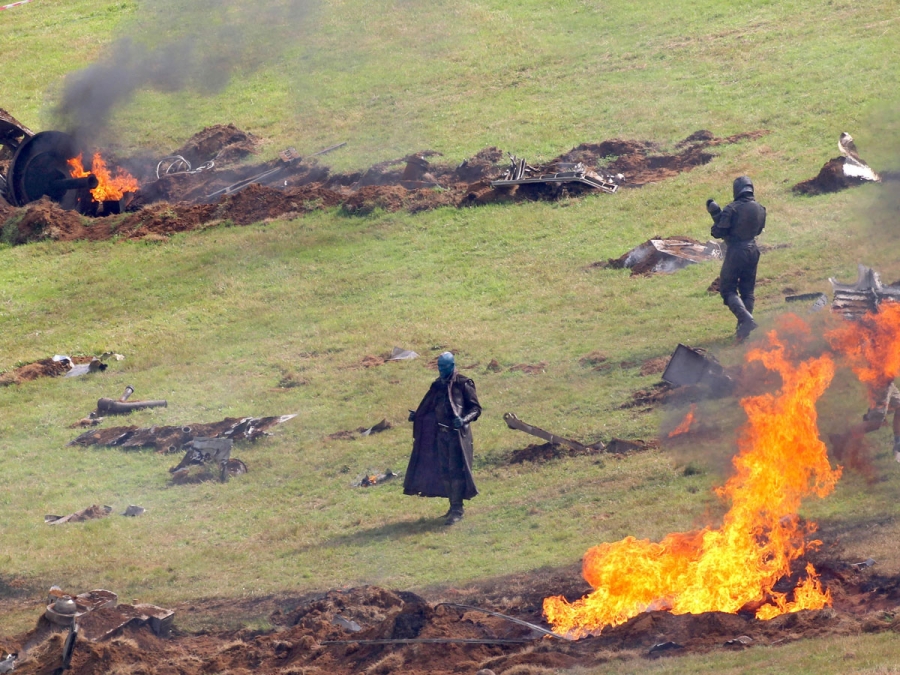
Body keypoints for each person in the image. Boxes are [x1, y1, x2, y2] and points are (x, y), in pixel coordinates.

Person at [403, 352, 481, 525]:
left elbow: (476, 409)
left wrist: (463, 420)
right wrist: (418, 416)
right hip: (440, 434)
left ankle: (457, 509)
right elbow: (430, 407)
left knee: (456, 470)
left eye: (444, 367)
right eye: (439, 367)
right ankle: (452, 506)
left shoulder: (463, 383)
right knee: (444, 470)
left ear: (452, 366)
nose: (441, 371)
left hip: (457, 436)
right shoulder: (437, 385)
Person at [707, 176, 767, 341]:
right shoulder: (761, 208)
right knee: (748, 291)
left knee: (727, 289)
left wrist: (716, 217)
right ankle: (743, 332)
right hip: (753, 250)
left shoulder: (732, 209)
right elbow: (759, 230)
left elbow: (718, 232)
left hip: (736, 251)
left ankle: (746, 319)